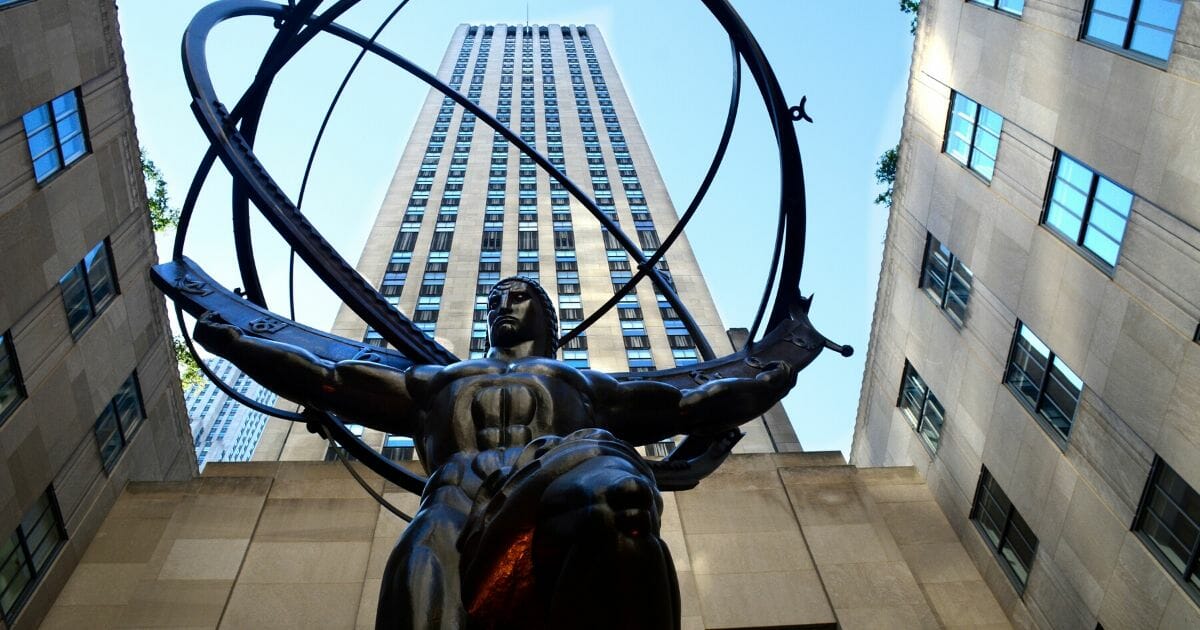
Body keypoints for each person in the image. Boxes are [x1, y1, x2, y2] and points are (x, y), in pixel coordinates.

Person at [194, 276, 797, 629]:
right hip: (458, 499)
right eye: (495, 299)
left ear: (546, 315)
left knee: (621, 500)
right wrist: (240, 345)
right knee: (419, 569)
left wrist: (766, 379)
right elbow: (328, 379)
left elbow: (687, 405)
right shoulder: (435, 381)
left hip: (561, 474)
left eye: (518, 296)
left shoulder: (585, 384)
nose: (502, 303)